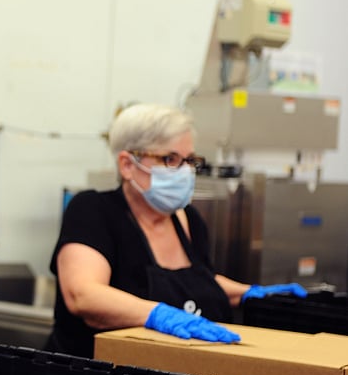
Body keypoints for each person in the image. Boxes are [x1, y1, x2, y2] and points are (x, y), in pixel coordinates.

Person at [44, 103, 305, 358]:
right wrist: (158, 314)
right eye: (170, 159)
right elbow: (83, 295)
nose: (185, 171)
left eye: (190, 160)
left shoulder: (187, 219)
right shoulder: (93, 210)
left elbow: (198, 281)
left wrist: (249, 293)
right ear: (127, 164)